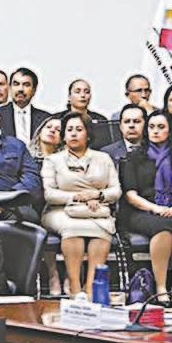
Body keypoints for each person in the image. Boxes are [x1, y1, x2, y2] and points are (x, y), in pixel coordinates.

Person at [119, 109, 172, 303]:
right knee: (163, 228)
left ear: (170, 130)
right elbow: (131, 195)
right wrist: (156, 209)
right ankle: (161, 287)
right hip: (142, 210)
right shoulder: (134, 157)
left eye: (161, 127)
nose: (155, 131)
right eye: (151, 127)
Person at [42, 111, 121, 296]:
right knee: (73, 228)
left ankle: (92, 288)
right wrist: (79, 197)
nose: (73, 133)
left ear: (88, 134)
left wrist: (98, 195)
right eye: (69, 130)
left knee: (101, 229)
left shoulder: (103, 158)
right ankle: (75, 288)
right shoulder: (52, 160)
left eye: (79, 129)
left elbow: (116, 191)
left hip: (97, 210)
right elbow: (50, 194)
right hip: (60, 210)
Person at [0, 67, 52, 142]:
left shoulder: (46, 119)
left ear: (34, 90)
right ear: (10, 88)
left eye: (26, 85)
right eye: (16, 84)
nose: (20, 89)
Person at [63, 79, 113, 149]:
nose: (83, 95)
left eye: (87, 92)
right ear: (69, 96)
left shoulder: (100, 120)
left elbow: (106, 145)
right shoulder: (58, 119)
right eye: (78, 92)